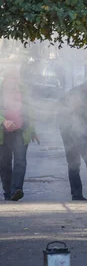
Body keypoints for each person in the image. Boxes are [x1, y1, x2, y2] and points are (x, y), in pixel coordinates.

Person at [0, 72, 39, 201]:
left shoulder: (24, 93)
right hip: (3, 133)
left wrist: (32, 131)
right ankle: (8, 192)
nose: (13, 83)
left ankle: (16, 189)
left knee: (20, 162)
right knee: (4, 164)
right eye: (10, 79)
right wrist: (3, 121)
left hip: (21, 132)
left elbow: (30, 112)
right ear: (5, 81)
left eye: (15, 79)